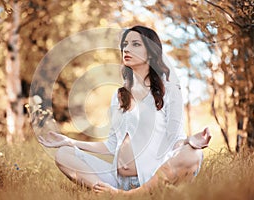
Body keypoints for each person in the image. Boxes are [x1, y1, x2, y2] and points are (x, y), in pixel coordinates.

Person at [38, 25, 211, 195]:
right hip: (116, 178)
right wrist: (71, 142)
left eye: (135, 44)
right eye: (125, 45)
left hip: (151, 177)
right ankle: (107, 192)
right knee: (64, 154)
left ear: (151, 52)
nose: (126, 49)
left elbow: (176, 140)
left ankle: (132, 195)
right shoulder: (120, 95)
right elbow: (111, 146)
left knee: (193, 155)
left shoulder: (170, 91)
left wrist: (190, 141)